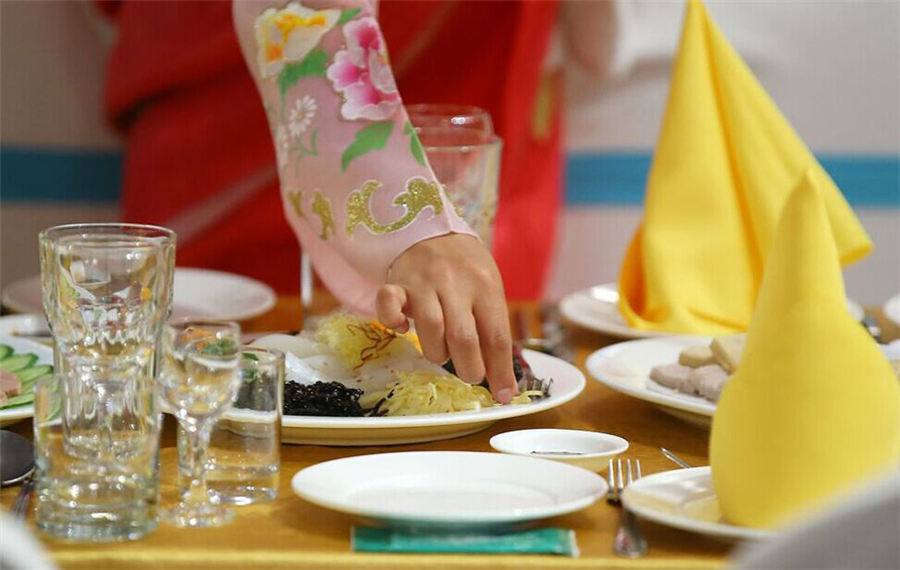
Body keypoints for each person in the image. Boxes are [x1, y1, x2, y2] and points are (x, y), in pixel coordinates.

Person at [103, 0, 616, 400]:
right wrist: (410, 218)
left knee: (469, 373)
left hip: (487, 56)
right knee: (246, 386)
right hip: (265, 105)